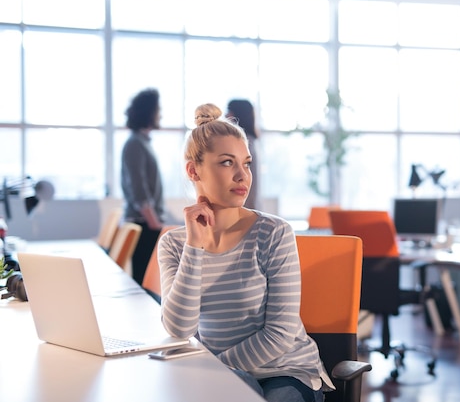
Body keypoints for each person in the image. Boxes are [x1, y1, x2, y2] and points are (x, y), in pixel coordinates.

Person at [157, 103, 332, 402]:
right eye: (227, 163)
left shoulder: (273, 233)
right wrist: (195, 247)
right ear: (193, 170)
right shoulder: (175, 244)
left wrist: (213, 369)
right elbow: (179, 327)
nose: (242, 175)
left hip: (285, 371)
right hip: (224, 373)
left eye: (246, 163)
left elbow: (280, 334)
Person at [121, 88, 164, 285]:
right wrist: (155, 223)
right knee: (144, 284)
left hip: (148, 224)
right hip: (144, 225)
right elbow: (139, 189)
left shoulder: (142, 142)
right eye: (158, 109)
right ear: (149, 112)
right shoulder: (134, 144)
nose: (160, 114)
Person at [226, 99, 260, 210]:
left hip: (244, 207)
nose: (226, 115)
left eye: (229, 111)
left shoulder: (243, 143)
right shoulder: (251, 142)